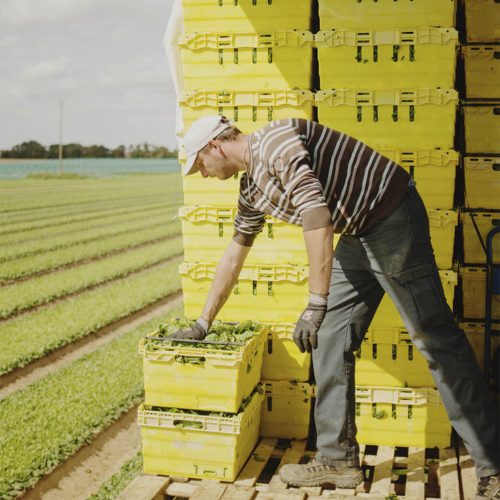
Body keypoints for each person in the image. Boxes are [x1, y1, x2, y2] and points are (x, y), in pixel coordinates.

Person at [172, 114, 500, 498]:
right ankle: (339, 460)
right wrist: (203, 322)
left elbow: (318, 216)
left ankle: (493, 465)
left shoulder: (276, 142)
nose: (203, 174)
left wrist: (315, 303)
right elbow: (233, 256)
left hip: (390, 215)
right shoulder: (251, 189)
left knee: (434, 339)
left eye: (201, 165)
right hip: (358, 232)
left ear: (215, 145)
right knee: (330, 334)